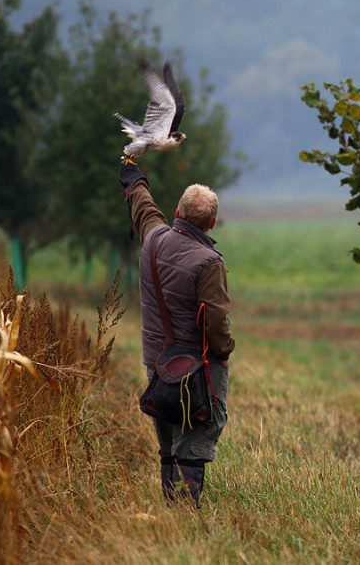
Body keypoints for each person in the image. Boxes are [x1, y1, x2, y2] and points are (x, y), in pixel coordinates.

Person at [119, 156, 233, 509]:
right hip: (197, 367)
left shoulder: (153, 240)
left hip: (157, 362)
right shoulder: (208, 262)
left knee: (168, 438)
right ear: (212, 223)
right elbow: (215, 321)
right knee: (196, 437)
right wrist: (225, 351)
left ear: (177, 213)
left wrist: (133, 179)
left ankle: (172, 510)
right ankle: (183, 514)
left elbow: (144, 210)